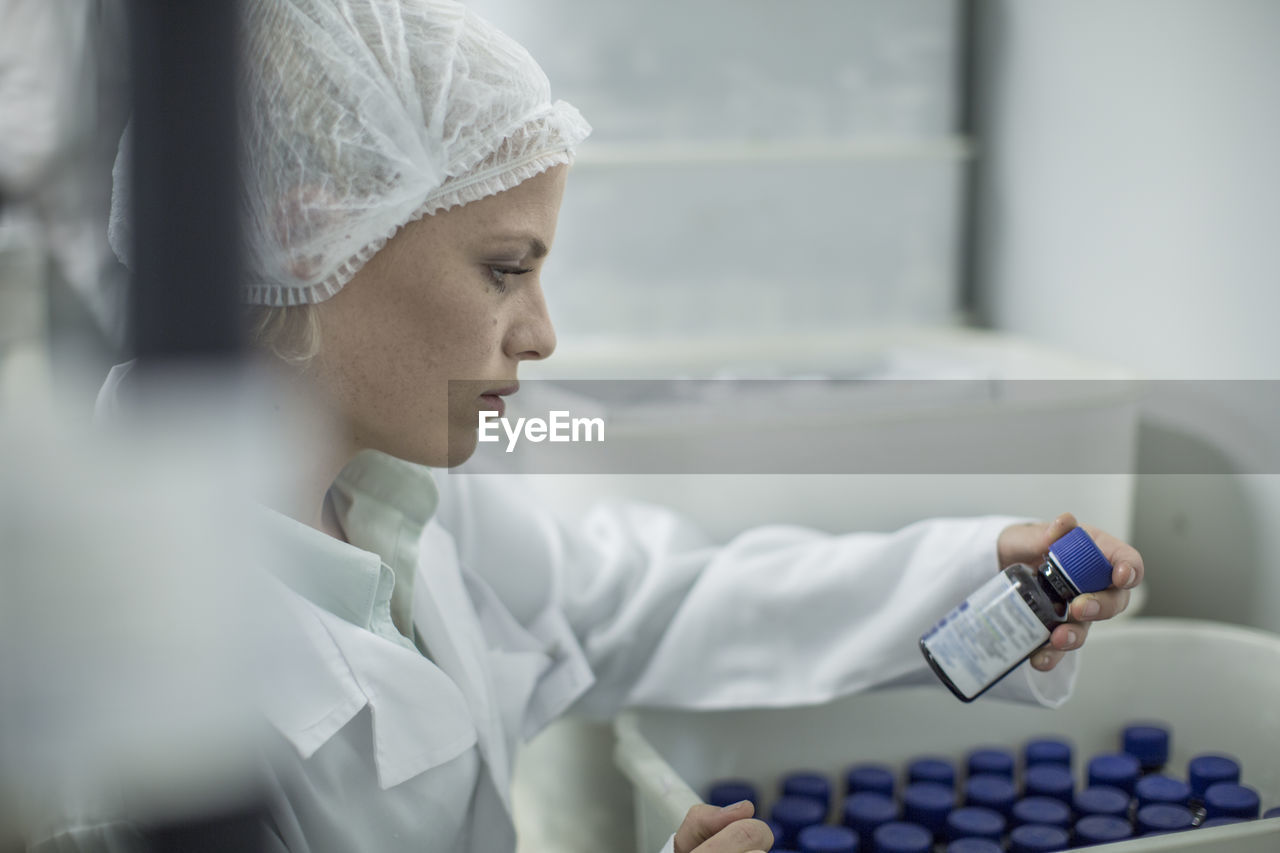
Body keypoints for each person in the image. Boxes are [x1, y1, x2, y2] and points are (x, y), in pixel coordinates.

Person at [64, 1, 1145, 851]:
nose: (538, 336)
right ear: (310, 237)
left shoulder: (397, 493)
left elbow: (633, 603)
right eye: (502, 271)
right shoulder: (117, 706)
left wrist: (963, 573)